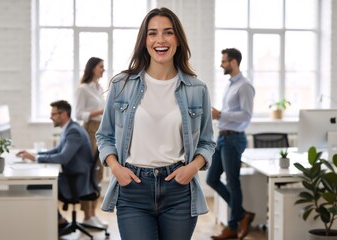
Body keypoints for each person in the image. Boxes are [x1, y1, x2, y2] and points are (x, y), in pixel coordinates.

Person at [95, 7, 215, 240]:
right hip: (133, 189)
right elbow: (104, 136)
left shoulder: (197, 89)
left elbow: (207, 142)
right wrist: (116, 169)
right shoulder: (122, 85)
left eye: (168, 32)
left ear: (178, 40)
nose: (160, 40)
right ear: (144, 40)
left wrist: (192, 168)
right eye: (152, 33)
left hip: (179, 190)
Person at [16, 100, 95, 236]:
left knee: (36, 186)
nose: (50, 117)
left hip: (76, 181)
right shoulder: (70, 128)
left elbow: (63, 157)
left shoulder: (73, 131)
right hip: (73, 176)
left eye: (53, 114)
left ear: (63, 114)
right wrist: (35, 155)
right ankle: (58, 220)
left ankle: (58, 221)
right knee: (39, 184)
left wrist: (36, 158)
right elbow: (58, 150)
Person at [206, 48, 256, 240]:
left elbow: (246, 115)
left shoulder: (244, 86)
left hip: (234, 139)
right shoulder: (231, 85)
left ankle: (233, 226)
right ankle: (243, 214)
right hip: (223, 137)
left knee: (233, 183)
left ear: (234, 62)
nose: (221, 64)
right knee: (211, 179)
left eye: (224, 61)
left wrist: (220, 114)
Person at [75, 57, 108, 228]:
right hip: (89, 131)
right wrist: (101, 110)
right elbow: (79, 114)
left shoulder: (100, 88)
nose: (103, 69)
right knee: (89, 174)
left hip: (101, 131)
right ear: (93, 68)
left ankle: (93, 214)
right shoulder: (83, 89)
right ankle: (86, 215)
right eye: (101, 66)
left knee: (98, 173)